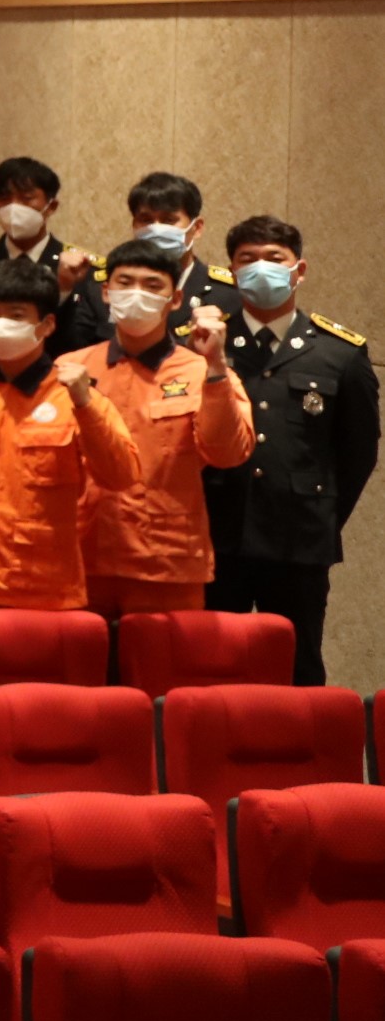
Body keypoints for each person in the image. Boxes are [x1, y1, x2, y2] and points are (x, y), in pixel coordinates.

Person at [210, 216, 376, 685]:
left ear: (298, 270)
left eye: (274, 258)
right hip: (218, 535)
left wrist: (319, 514)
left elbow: (358, 454)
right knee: (210, 670)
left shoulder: (339, 353)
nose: (260, 267)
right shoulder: (202, 346)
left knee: (297, 672)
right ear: (232, 271)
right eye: (248, 259)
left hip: (299, 541)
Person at [0, 258, 141, 613]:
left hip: (43, 588)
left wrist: (85, 405)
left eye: (16, 316)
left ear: (47, 325)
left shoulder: (76, 395)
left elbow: (121, 475)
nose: (0, 325)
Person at [74, 239, 248, 618]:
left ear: (175, 299)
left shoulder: (203, 370)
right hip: (82, 558)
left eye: (152, 285)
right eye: (125, 283)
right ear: (106, 292)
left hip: (167, 563)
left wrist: (216, 367)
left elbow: (228, 453)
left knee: (162, 659)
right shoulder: (71, 369)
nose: (137, 294)